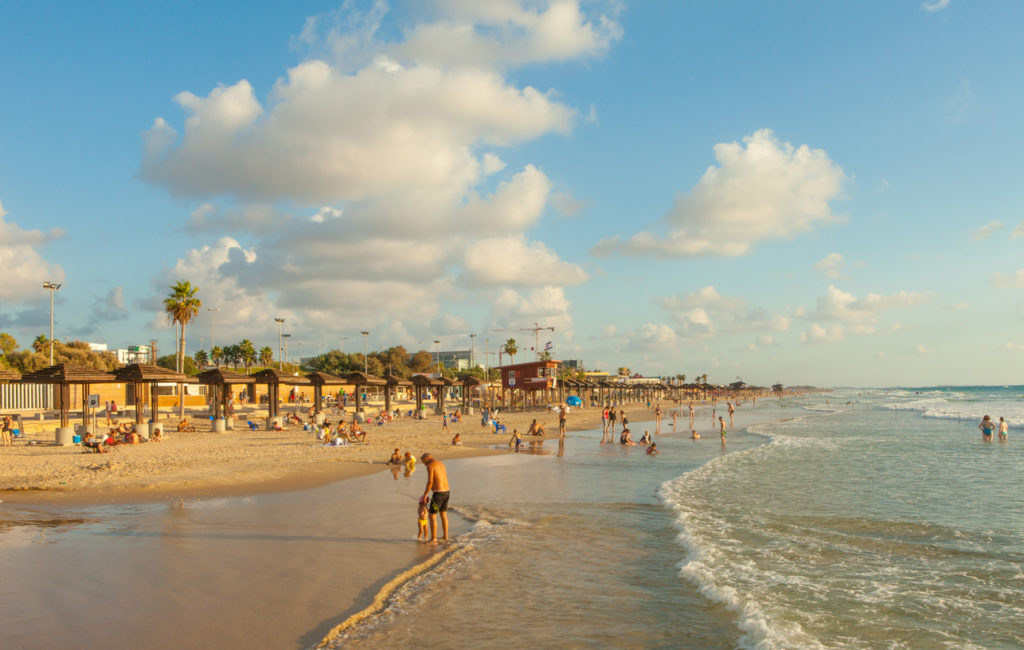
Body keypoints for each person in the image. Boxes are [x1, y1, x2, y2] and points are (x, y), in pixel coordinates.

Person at [420, 453, 450, 544]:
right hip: (447, 492)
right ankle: (445, 536)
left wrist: (425, 494)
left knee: (432, 516)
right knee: (443, 515)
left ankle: (433, 539)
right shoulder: (441, 464)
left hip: (438, 494)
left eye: (423, 461)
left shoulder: (430, 466)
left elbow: (430, 481)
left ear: (427, 458)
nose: (424, 463)